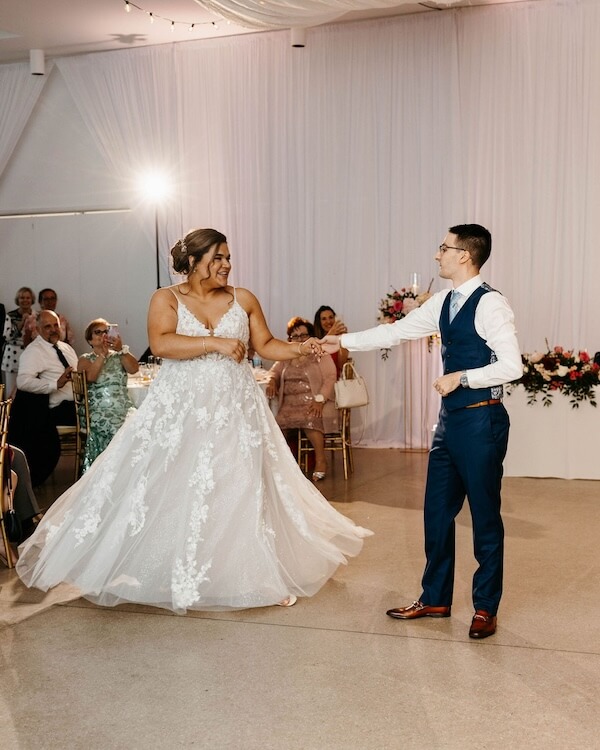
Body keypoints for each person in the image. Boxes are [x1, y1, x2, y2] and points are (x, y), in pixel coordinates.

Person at [16, 228, 371, 614]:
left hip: (235, 406)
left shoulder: (243, 298)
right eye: (218, 258)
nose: (226, 265)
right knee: (175, 480)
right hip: (182, 405)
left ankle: (254, 574)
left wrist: (300, 347)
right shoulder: (165, 298)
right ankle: (173, 565)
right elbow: (164, 343)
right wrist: (215, 343)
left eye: (229, 258)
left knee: (239, 480)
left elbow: (266, 344)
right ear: (194, 261)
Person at [322, 224, 522, 639]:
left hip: (482, 419)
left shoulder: (491, 305)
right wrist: (339, 341)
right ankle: (435, 597)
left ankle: (485, 607)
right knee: (435, 512)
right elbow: (395, 332)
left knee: (484, 517)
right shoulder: (444, 302)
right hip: (451, 422)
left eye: (444, 248)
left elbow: (512, 366)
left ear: (465, 255)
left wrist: (462, 377)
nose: (437, 255)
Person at [8, 310, 78, 485]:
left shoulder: (66, 348)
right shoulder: (33, 352)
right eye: (47, 326)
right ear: (38, 329)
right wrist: (55, 384)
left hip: (77, 404)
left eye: (56, 325)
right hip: (57, 410)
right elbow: (23, 382)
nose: (53, 329)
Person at [266, 317, 337, 481]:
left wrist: (319, 399)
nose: (300, 340)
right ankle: (282, 467)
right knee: (276, 427)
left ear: (311, 337)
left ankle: (321, 461)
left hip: (313, 402)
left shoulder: (319, 353)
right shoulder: (287, 355)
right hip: (289, 405)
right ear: (289, 339)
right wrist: (271, 381)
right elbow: (273, 372)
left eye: (304, 335)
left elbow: (330, 377)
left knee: (311, 419)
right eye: (295, 336)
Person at [77, 318, 139, 472]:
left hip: (123, 407)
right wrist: (102, 356)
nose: (103, 335)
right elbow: (91, 377)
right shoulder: (84, 359)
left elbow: (134, 369)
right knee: (120, 429)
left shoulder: (119, 356)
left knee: (141, 423)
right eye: (98, 332)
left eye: (107, 331)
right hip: (98, 410)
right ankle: (115, 471)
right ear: (90, 340)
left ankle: (132, 472)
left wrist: (121, 350)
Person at [1, 287, 35, 397]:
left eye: (27, 298)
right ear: (18, 300)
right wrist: (21, 323)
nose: (25, 300)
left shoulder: (37, 315)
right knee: (11, 391)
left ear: (32, 299)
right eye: (22, 298)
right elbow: (7, 337)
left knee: (29, 389)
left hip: (31, 354)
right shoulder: (10, 315)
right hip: (12, 356)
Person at [313, 305, 348, 377]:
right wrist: (330, 335)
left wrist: (343, 340)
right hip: (319, 382)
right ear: (319, 322)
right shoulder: (314, 339)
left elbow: (342, 365)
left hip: (336, 383)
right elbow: (314, 361)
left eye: (331, 317)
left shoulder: (339, 338)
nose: (328, 321)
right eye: (324, 319)